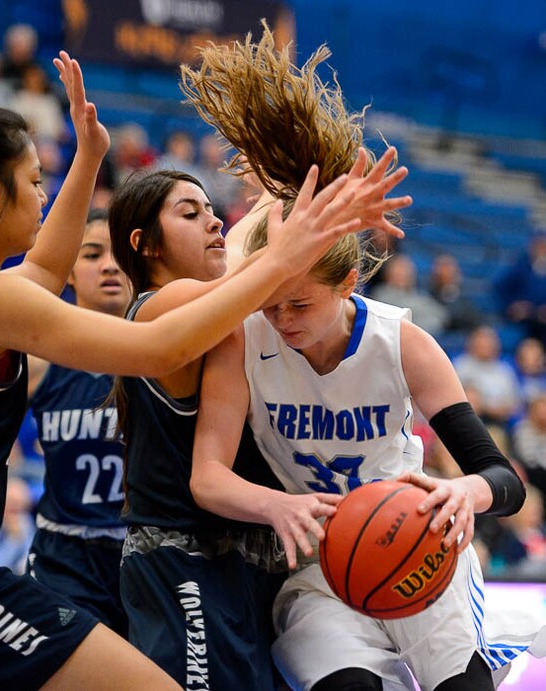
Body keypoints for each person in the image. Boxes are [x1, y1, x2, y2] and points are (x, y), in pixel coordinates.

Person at [0, 48, 387, 690]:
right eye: (34, 177)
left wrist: (89, 156)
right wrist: (280, 259)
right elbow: (159, 348)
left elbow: (47, 270)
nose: (44, 192)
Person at [184, 24, 533, 691]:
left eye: (300, 305)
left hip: (418, 546)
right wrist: (274, 506)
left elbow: (503, 478)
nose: (281, 320)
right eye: (270, 302)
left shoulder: (402, 342)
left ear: (347, 284)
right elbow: (209, 477)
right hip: (316, 564)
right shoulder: (243, 338)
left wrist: (464, 489)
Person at [112, 32, 411, 691]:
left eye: (214, 209)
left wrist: (306, 193)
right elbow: (264, 265)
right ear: (145, 245)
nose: (216, 222)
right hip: (180, 558)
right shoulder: (162, 304)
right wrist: (298, 203)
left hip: (251, 559)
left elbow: (267, 267)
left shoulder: (237, 309)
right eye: (190, 213)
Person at [25, 208, 131, 636]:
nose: (108, 264)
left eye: (119, 253)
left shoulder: (171, 350)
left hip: (143, 552)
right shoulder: (38, 359)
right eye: (91, 254)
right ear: (67, 273)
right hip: (63, 555)